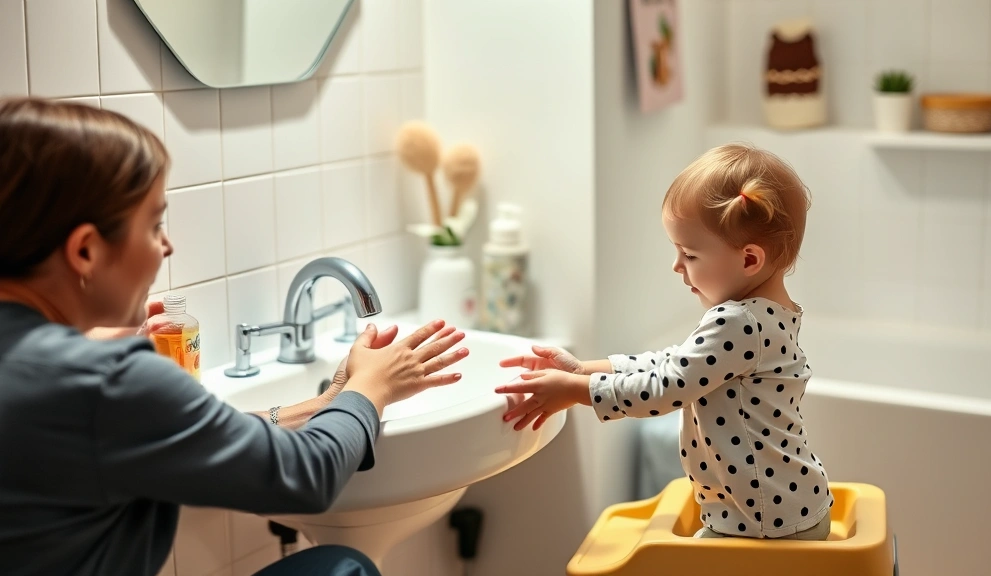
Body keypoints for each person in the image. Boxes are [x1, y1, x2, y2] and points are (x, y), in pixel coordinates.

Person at [0, 97, 468, 576]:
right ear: (85, 251)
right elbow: (307, 476)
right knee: (342, 570)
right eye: (154, 224)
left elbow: (190, 437)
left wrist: (328, 400)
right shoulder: (106, 380)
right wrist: (372, 389)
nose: (167, 246)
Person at [496, 144, 834, 540]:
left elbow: (667, 387)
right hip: (783, 508)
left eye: (688, 254)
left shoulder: (739, 321)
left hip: (762, 522)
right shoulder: (765, 314)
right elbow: (676, 364)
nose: (677, 266)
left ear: (749, 260)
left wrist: (576, 390)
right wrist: (586, 369)